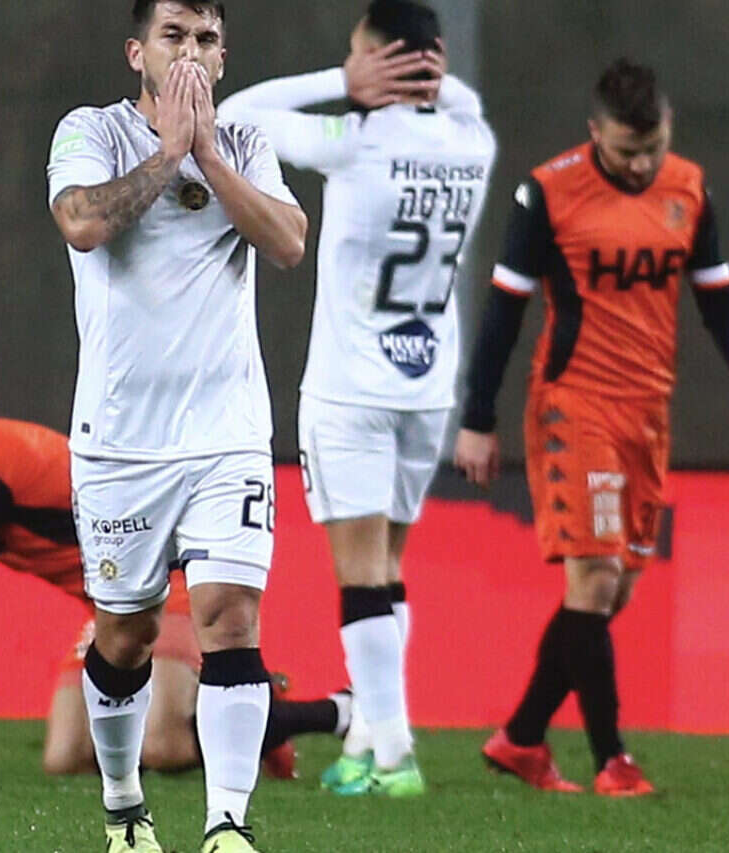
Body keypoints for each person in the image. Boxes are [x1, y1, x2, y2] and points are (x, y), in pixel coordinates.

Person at [454, 58, 729, 796]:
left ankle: (521, 738)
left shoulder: (688, 188)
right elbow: (504, 311)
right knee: (596, 576)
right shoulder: (547, 192)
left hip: (647, 410)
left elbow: (716, 294)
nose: (641, 164)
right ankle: (613, 761)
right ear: (594, 133)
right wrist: (477, 417)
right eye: (627, 150)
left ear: (668, 128)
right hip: (575, 404)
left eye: (653, 146)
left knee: (615, 590)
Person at [46, 1, 307, 850]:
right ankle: (125, 806)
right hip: (121, 439)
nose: (190, 52)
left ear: (222, 58)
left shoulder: (246, 143)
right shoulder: (91, 131)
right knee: (127, 634)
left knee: (231, 616)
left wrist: (207, 155)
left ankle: (228, 824)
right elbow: (82, 222)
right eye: (174, 36)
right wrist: (167, 154)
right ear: (137, 52)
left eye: (205, 39)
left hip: (227, 430)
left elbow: (288, 242)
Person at [218, 0, 495, 798]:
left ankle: (395, 754)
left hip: (351, 388)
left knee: (362, 577)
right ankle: (369, 740)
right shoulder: (471, 141)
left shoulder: (354, 140)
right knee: (389, 571)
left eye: (360, 53)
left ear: (378, 61)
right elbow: (467, 101)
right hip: (427, 386)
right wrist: (430, 81)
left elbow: (234, 116)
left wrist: (339, 80)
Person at [0, 361, 341, 779]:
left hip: (168, 585)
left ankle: (312, 712)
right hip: (116, 605)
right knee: (66, 757)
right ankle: (220, 710)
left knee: (162, 745)